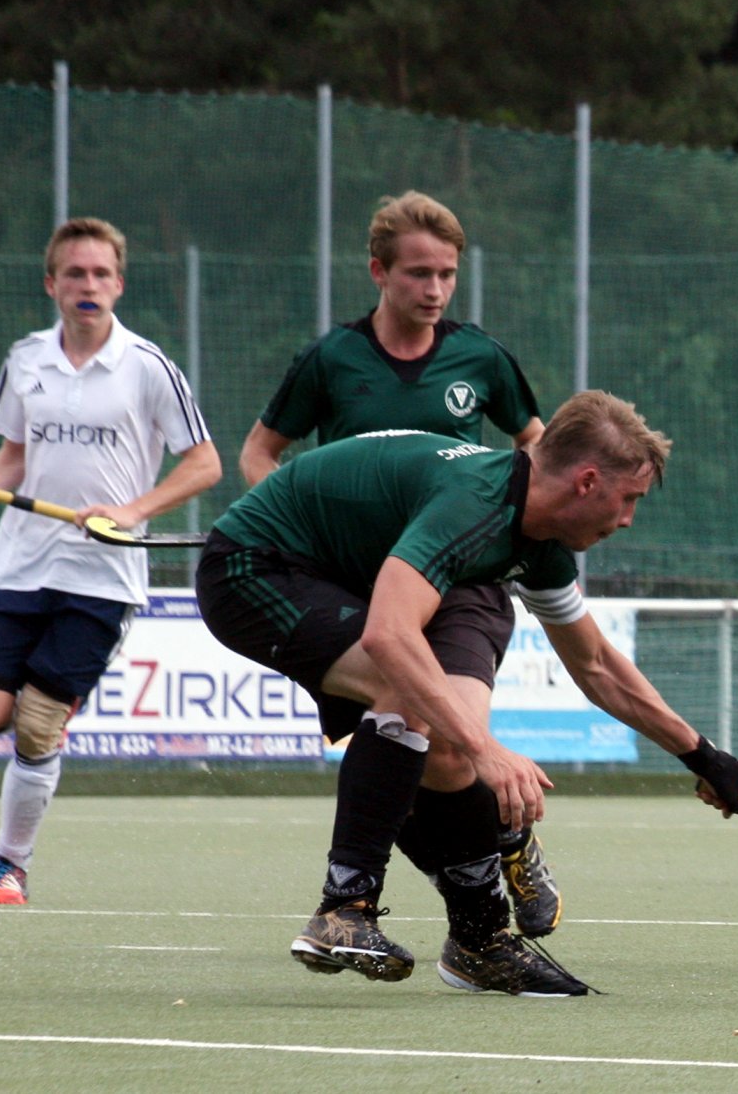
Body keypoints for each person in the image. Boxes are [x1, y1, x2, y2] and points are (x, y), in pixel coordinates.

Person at [197, 389, 738, 997]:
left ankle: (479, 943)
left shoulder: (539, 541)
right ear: (588, 482)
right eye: (630, 500)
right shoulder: (474, 504)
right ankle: (344, 910)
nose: (627, 520)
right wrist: (488, 749)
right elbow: (389, 635)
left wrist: (701, 755)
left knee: (450, 741)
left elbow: (595, 664)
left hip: (366, 570)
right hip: (255, 569)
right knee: (411, 694)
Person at [237, 191, 563, 938]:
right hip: (367, 586)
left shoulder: (480, 357)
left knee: (437, 733)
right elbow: (261, 454)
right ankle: (488, 867)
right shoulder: (331, 360)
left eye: (447, 274)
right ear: (379, 271)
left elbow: (538, 448)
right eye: (419, 273)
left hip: (458, 582)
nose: (435, 290)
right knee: (411, 750)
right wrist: (289, 528)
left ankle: (482, 875)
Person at [0, 217, 223, 905]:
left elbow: (204, 464)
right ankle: (35, 741)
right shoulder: (25, 359)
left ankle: (7, 864)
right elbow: (14, 451)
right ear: (52, 283)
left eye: (101, 274)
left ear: (119, 285)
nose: (88, 285)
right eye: (75, 273)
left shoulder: (148, 367)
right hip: (20, 564)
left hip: (102, 576)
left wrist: (132, 512)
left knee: (39, 721)